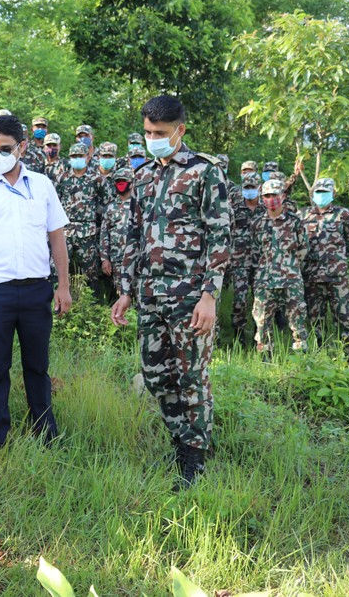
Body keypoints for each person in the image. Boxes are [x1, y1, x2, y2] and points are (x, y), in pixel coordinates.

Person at [111, 96, 229, 490]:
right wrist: (126, 290)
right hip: (149, 296)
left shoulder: (204, 173)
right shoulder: (143, 176)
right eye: (147, 132)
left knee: (191, 377)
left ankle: (194, 459)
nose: (152, 139)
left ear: (180, 130)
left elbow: (219, 235)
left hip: (190, 298)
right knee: (156, 374)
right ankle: (181, 442)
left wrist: (210, 295)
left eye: (159, 134)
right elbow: (133, 236)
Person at [0, 115, 72, 453]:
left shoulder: (42, 186)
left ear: (21, 147)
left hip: (37, 290)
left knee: (37, 366)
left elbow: (57, 238)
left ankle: (45, 432)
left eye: (5, 149)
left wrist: (63, 286)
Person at [250, 178, 308, 353]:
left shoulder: (295, 222)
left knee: (298, 323)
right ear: (262, 198)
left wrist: (289, 267)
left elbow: (303, 249)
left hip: (291, 281)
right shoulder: (258, 224)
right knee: (262, 325)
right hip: (264, 282)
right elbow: (255, 251)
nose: (271, 199)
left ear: (283, 196)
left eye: (274, 195)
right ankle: (266, 363)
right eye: (267, 195)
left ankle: (301, 361)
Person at [299, 178, 349, 341]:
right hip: (312, 277)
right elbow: (298, 242)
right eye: (319, 191)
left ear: (333, 193)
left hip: (337, 277)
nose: (322, 194)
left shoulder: (343, 214)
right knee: (315, 320)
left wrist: (339, 260)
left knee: (344, 318)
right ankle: (319, 354)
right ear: (313, 194)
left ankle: (346, 356)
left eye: (326, 191)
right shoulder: (303, 214)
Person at [55, 142, 104, 299]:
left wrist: (97, 221)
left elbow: (106, 201)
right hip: (65, 230)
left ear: (87, 157)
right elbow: (54, 202)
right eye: (74, 156)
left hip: (88, 231)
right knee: (58, 268)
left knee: (91, 272)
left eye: (80, 156)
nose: (77, 159)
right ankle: (57, 300)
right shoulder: (62, 178)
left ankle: (95, 306)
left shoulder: (96, 179)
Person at [230, 172, 263, 345]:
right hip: (239, 263)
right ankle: (239, 339)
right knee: (239, 302)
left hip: (261, 264)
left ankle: (262, 338)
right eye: (246, 187)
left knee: (261, 303)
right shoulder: (234, 209)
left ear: (259, 188)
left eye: (252, 187)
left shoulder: (266, 209)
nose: (249, 191)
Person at [99, 167, 134, 285]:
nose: (120, 183)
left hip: (136, 259)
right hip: (117, 260)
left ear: (131, 183)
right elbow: (104, 235)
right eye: (118, 181)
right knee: (120, 296)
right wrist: (104, 259)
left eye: (124, 180)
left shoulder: (140, 205)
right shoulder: (109, 208)